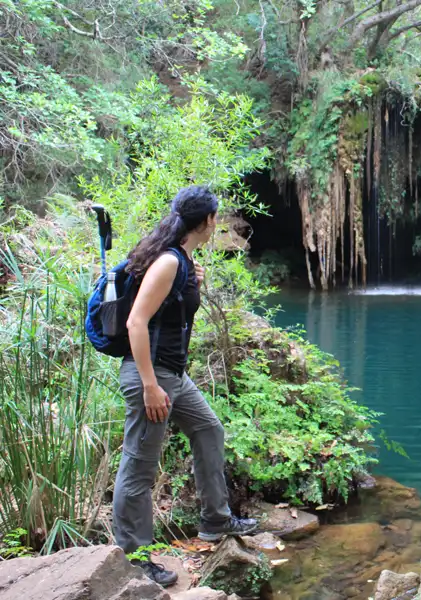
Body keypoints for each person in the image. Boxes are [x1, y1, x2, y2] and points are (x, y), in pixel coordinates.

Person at [113, 185, 257, 587]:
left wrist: (193, 280)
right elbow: (135, 323)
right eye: (217, 217)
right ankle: (135, 560)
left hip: (173, 374)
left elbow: (171, 310)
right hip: (152, 376)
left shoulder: (180, 259)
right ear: (208, 221)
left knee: (209, 429)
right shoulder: (168, 262)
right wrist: (148, 385)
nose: (219, 223)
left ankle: (215, 520)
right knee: (138, 469)